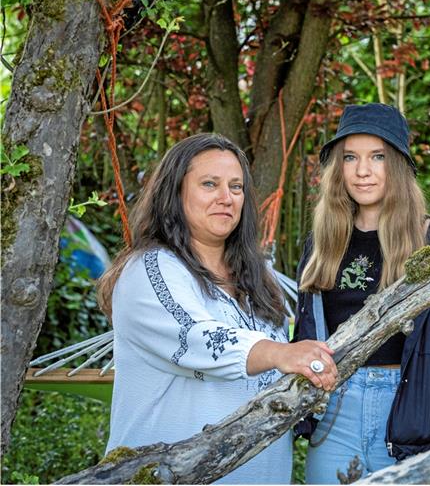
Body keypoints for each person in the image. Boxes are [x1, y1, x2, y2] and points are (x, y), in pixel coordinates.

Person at [98, 133, 338, 484]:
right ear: (175, 192)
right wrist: (280, 353)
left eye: (236, 187)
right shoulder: (149, 269)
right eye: (209, 184)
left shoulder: (261, 277)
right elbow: (196, 337)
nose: (226, 198)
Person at [294, 103, 430, 483]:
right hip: (336, 413)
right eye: (350, 157)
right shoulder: (322, 243)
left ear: (397, 164)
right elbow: (304, 338)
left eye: (377, 157)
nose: (362, 171)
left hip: (408, 413)